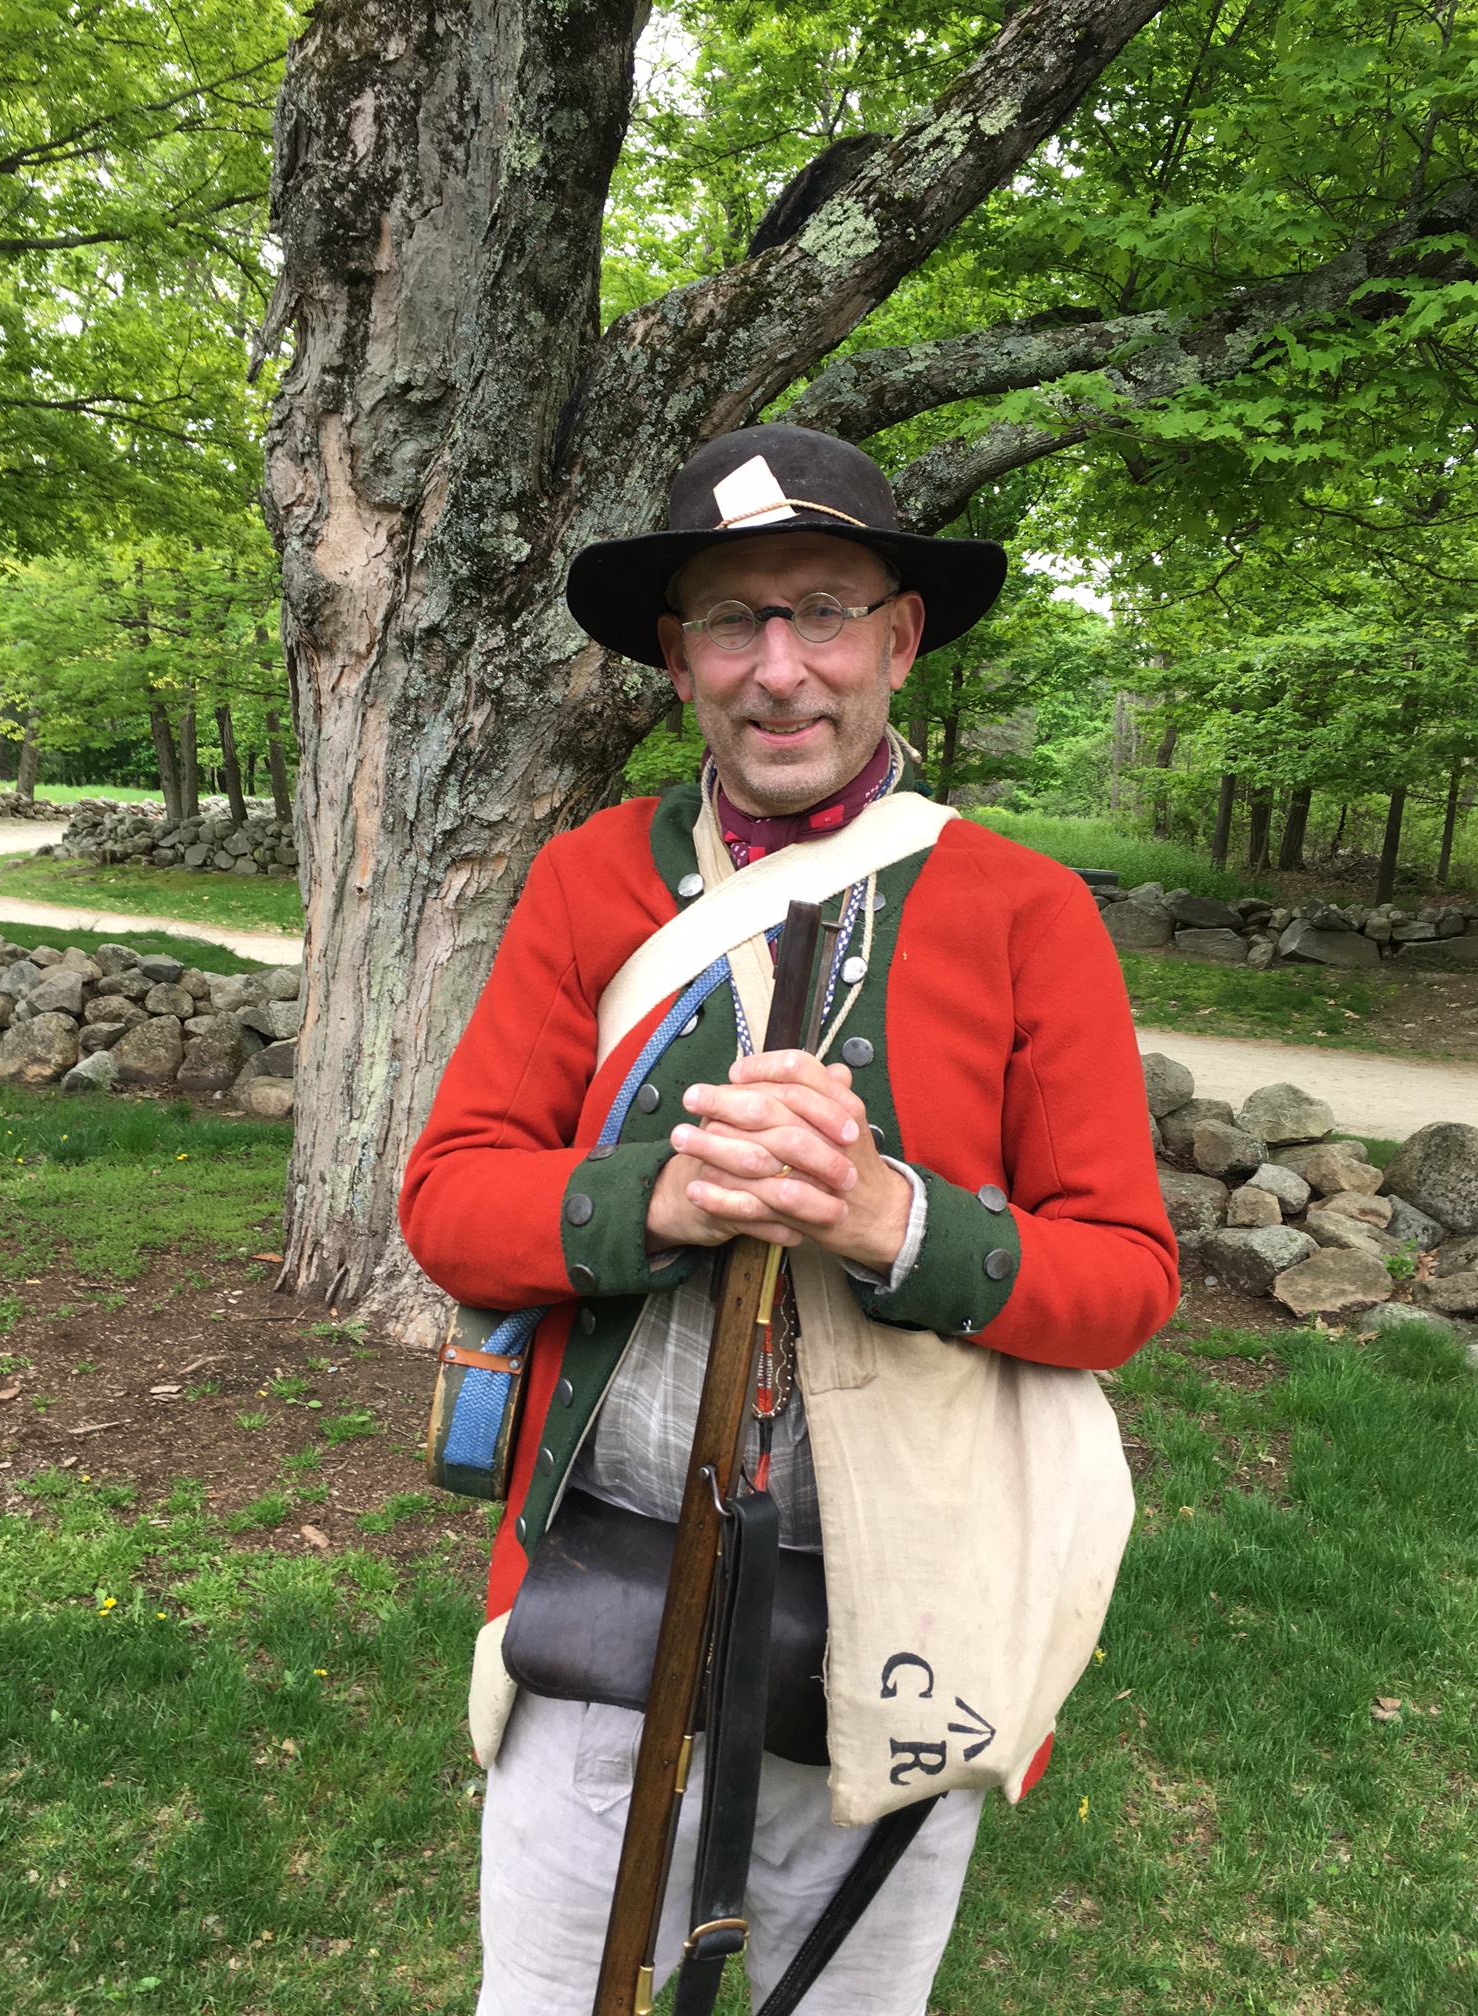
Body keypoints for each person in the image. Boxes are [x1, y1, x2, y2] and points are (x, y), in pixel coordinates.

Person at [400, 423, 1179, 2016]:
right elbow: (452, 1199)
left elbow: (1123, 1281)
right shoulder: (588, 882)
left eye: (824, 611)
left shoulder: (1027, 912)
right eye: (733, 621)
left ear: (898, 637)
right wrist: (662, 1195)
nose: (780, 669)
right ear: (676, 656)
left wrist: (891, 1219)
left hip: (911, 1603)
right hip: (605, 1592)